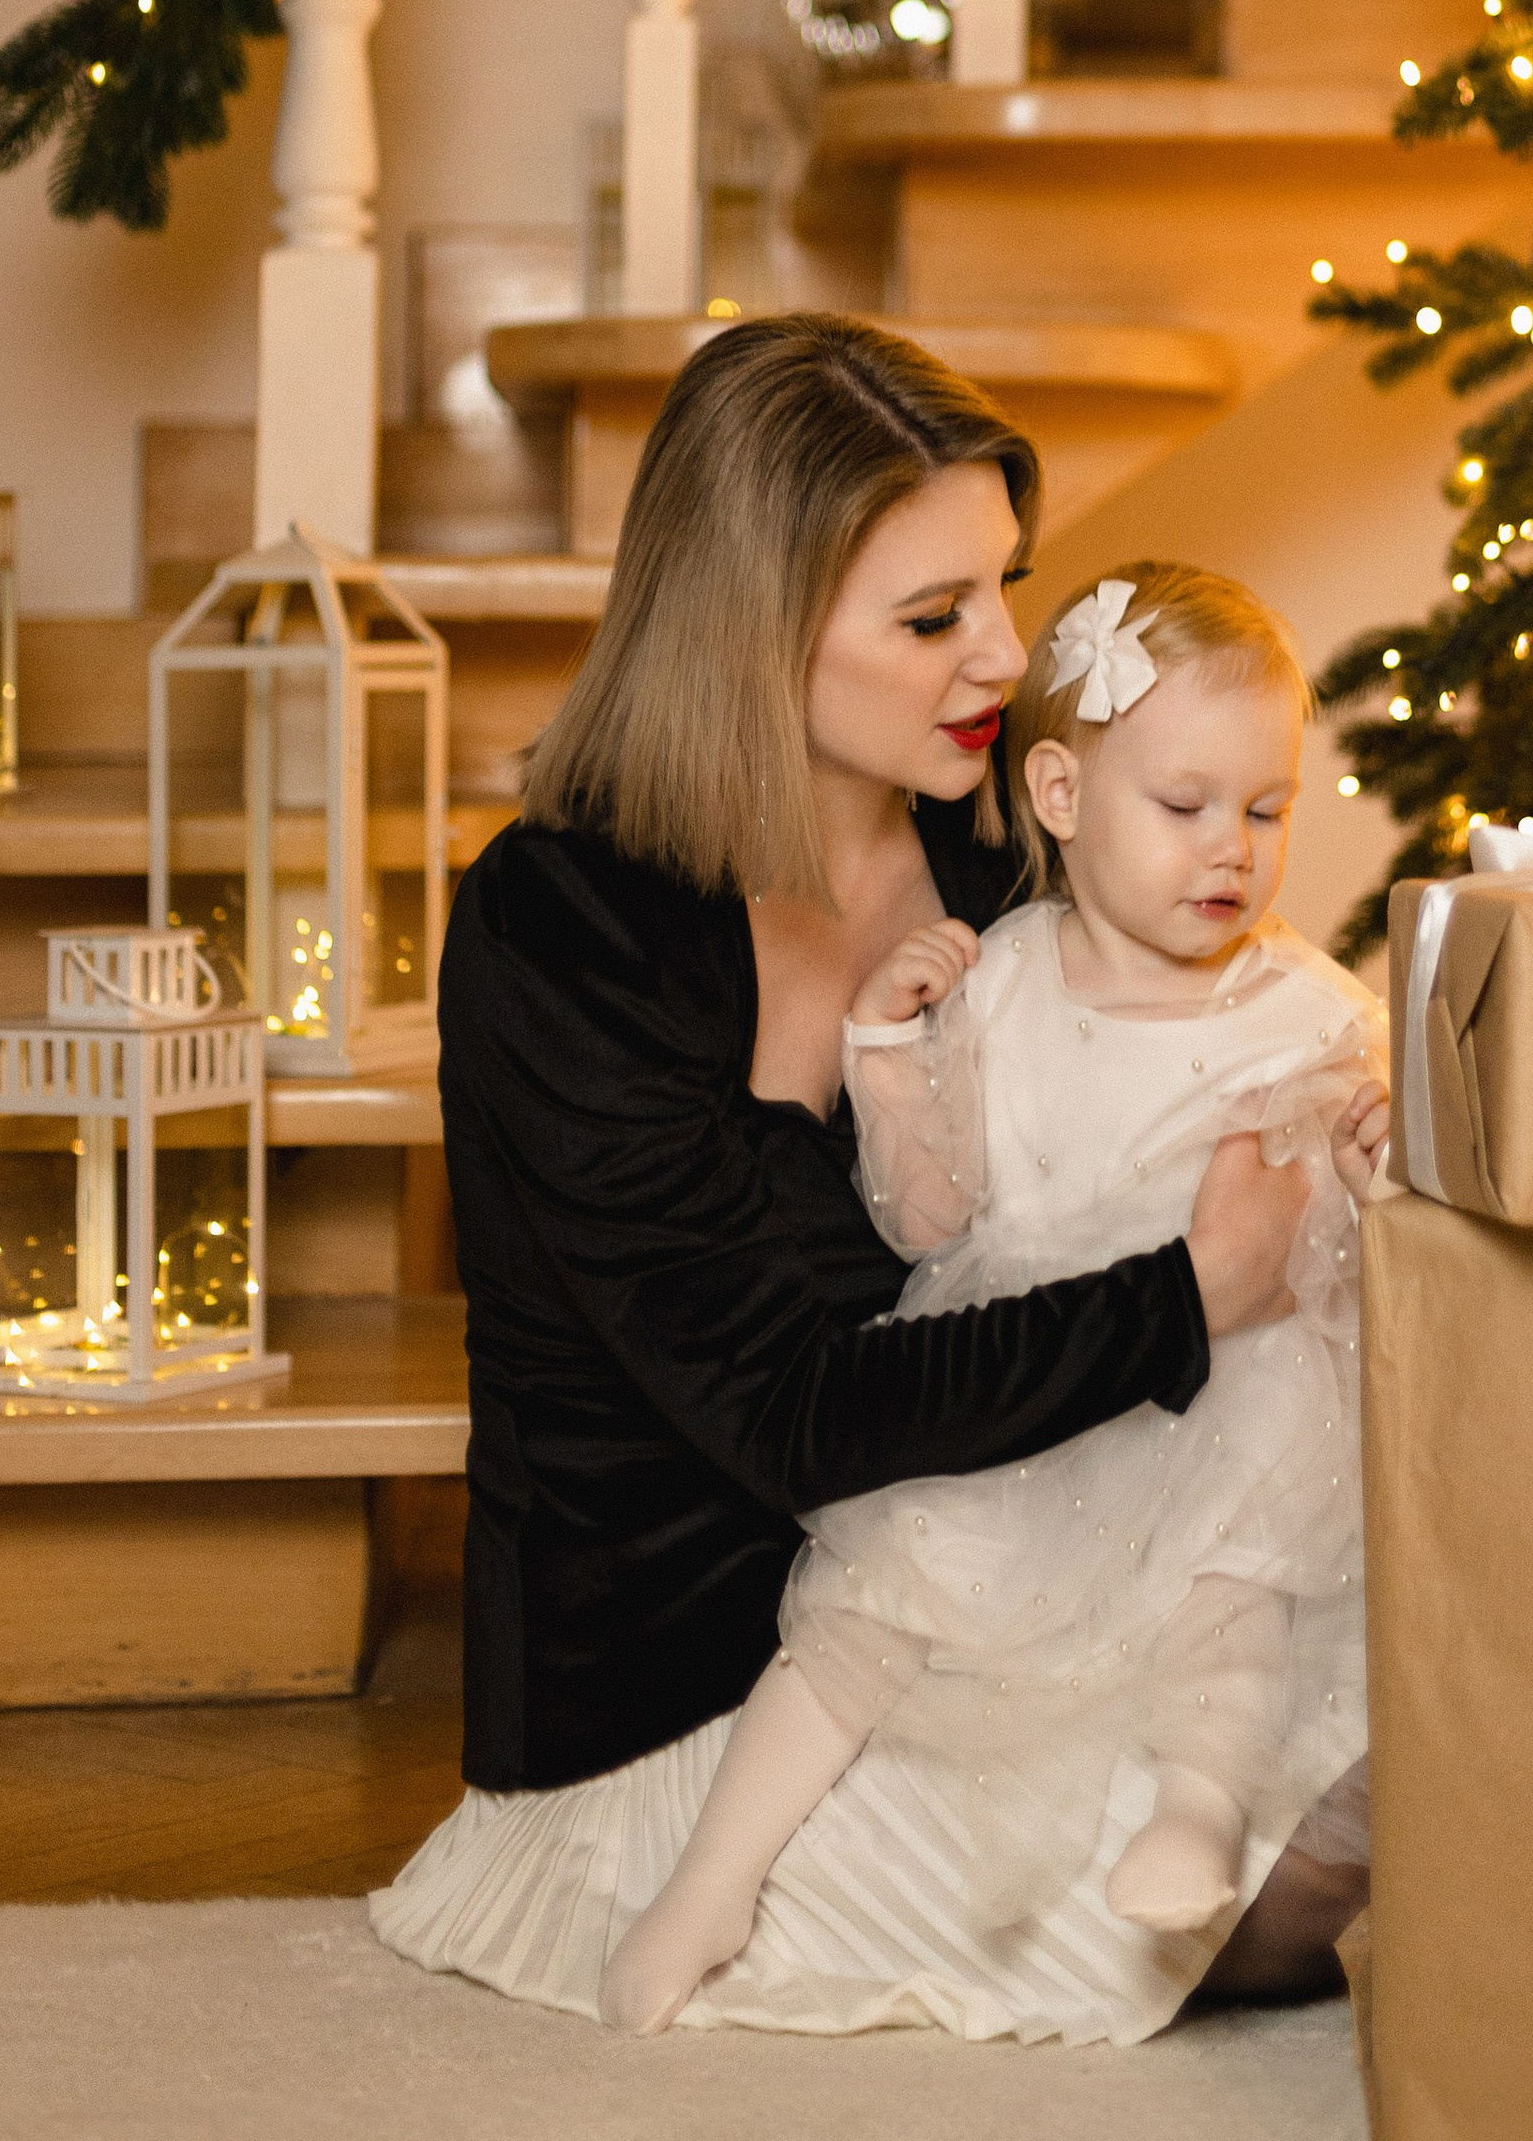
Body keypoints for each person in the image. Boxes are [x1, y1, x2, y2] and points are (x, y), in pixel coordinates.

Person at [370, 318, 1331, 2031]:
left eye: (1007, 588)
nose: (1006, 654)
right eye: (933, 616)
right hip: (693, 1695)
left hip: (1006, 1598)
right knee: (1300, 1883)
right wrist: (1187, 1297)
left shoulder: (991, 846)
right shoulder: (561, 927)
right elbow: (790, 1412)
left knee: (1404, 1742)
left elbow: (1181, 1056)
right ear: (753, 629)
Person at [599, 561, 1390, 2039]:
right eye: (1186, 805)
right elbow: (931, 1219)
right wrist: (891, 1053)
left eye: (1268, 810)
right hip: (1023, 1385)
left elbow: (1341, 1238)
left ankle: (1200, 1815)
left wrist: (1370, 1155)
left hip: (1219, 1399)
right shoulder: (1006, 978)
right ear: (1063, 793)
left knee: (1249, 1559)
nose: (1233, 849)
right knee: (866, 1604)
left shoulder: (1310, 1009)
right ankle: (710, 1878)